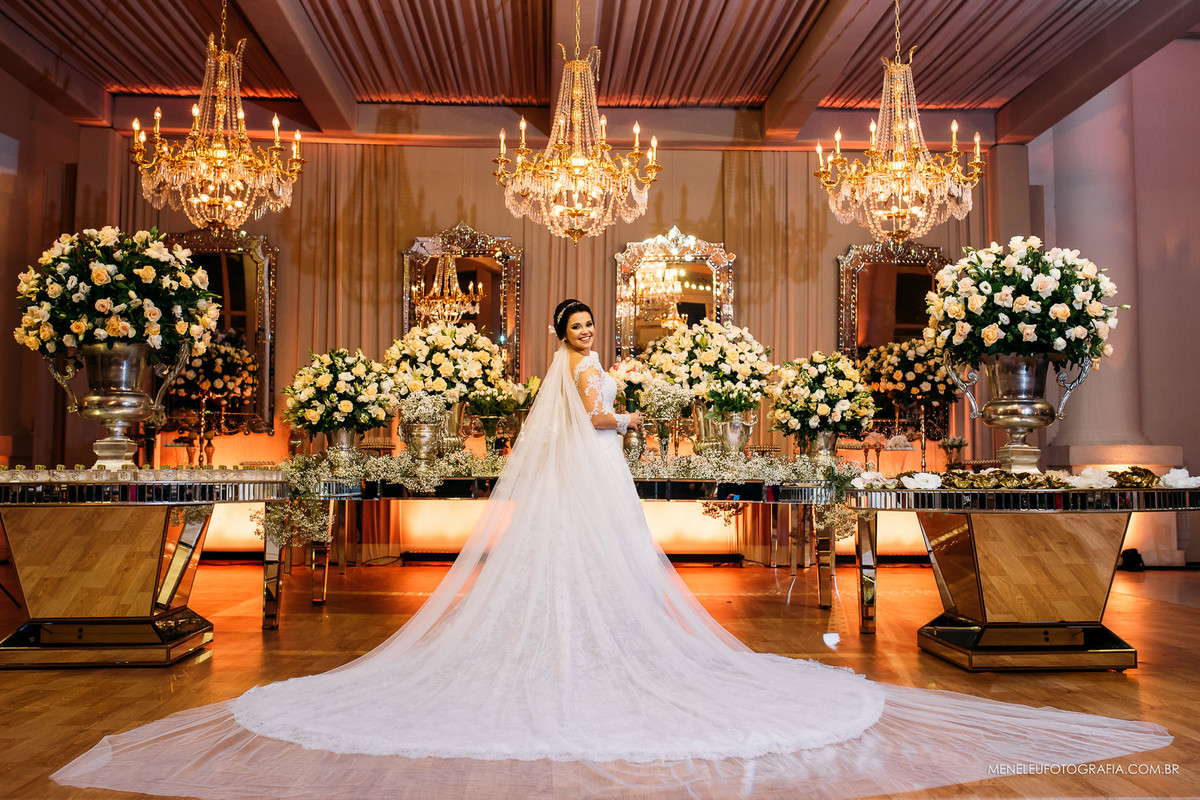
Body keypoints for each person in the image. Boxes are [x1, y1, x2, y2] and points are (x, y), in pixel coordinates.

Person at [53, 299, 1170, 800]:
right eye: (580, 329)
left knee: (599, 559)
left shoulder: (568, 367)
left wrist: (621, 410)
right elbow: (594, 423)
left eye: (591, 330)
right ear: (566, 337)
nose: (587, 339)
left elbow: (580, 418)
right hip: (600, 462)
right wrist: (630, 413)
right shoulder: (584, 377)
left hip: (587, 476)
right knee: (610, 561)